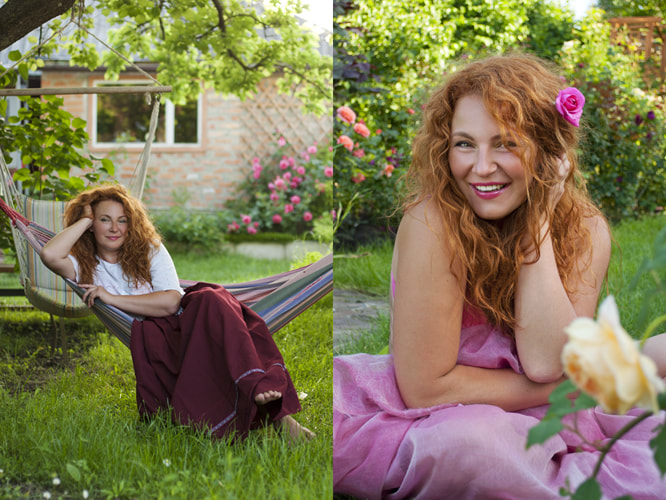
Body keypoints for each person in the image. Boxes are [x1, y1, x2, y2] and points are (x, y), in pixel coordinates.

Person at [333, 53, 666, 499]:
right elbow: (426, 390)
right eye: (464, 144)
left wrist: (538, 223)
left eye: (505, 143)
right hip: (441, 415)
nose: (481, 167)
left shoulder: (586, 230)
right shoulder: (434, 224)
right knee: (472, 447)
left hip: (552, 415)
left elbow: (548, 359)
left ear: (549, 152)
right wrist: (566, 384)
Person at [40, 183, 314, 442]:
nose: (115, 228)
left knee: (210, 296)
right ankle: (278, 414)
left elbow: (172, 301)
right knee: (215, 306)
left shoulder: (148, 249)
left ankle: (262, 393)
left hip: (189, 321)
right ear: (91, 226)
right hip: (159, 336)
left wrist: (112, 297)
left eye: (122, 220)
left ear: (131, 223)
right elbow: (50, 256)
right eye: (104, 219)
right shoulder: (84, 265)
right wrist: (86, 218)